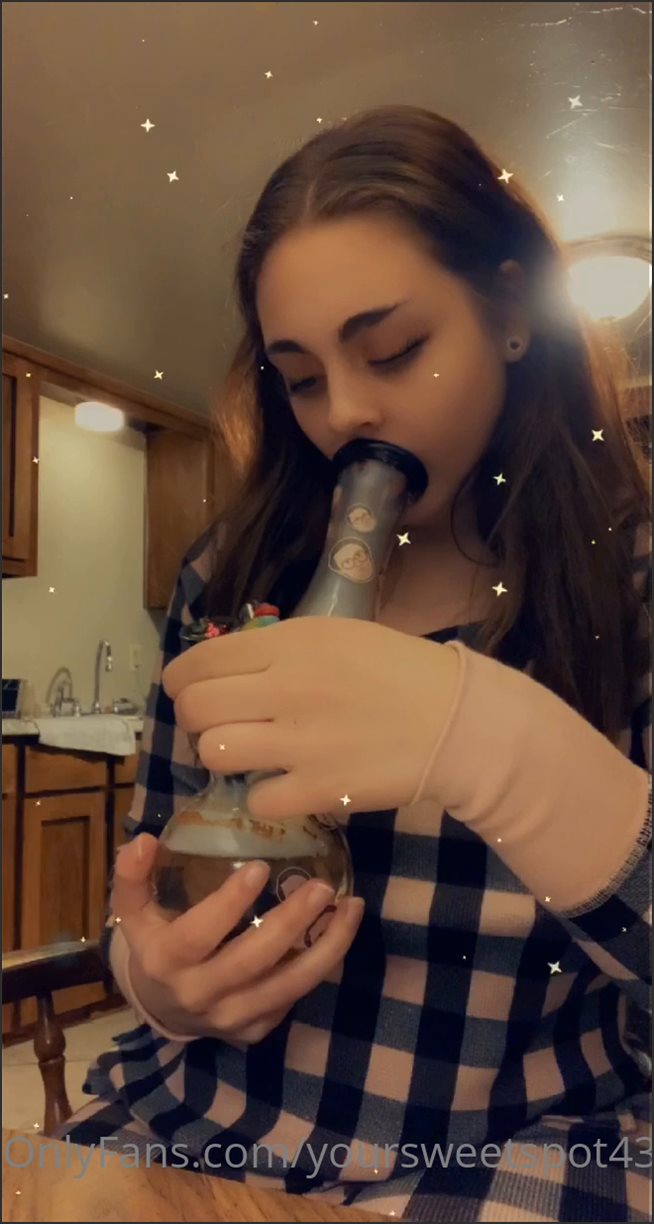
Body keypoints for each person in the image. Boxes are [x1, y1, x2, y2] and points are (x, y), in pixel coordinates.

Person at [58, 105, 651, 1222]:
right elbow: (153, 868)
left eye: (394, 351)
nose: (347, 412)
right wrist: (159, 981)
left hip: (513, 1151)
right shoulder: (229, 576)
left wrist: (492, 741)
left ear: (511, 312)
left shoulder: (630, 575)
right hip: (200, 1123)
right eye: (301, 377)